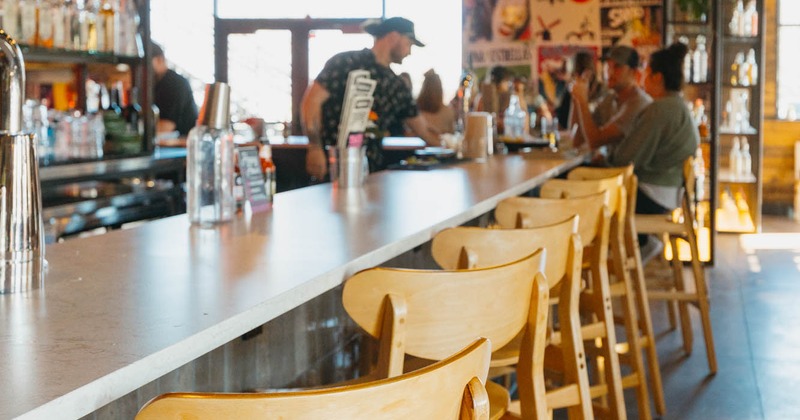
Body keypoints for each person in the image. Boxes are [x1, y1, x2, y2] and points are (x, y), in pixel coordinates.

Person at [300, 17, 440, 179]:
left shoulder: (397, 85)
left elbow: (424, 130)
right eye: (409, 44)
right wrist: (314, 148)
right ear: (394, 36)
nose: (409, 52)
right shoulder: (345, 62)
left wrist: (452, 145)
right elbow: (312, 102)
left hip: (371, 172)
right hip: (330, 166)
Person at [608, 43, 700, 261]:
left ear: (657, 77)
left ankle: (626, 254)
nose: (642, 79)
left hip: (652, 196)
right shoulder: (679, 107)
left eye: (647, 73)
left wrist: (608, 158)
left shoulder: (660, 110)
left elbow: (625, 159)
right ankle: (640, 245)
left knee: (590, 198)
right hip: (670, 195)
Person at [570, 45, 651, 153]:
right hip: (613, 163)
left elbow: (595, 142)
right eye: (608, 66)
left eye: (617, 67)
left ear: (633, 72)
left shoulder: (638, 102)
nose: (610, 72)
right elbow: (578, 141)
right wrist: (576, 98)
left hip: (628, 164)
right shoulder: (610, 99)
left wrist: (582, 101)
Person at [151, 42, 198, 137]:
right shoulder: (155, 83)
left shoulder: (176, 83)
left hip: (182, 142)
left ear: (160, 60)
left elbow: (167, 126)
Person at [417, 69, 456, 135]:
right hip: (439, 141)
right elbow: (451, 135)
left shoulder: (415, 111)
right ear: (440, 89)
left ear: (423, 88)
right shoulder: (448, 112)